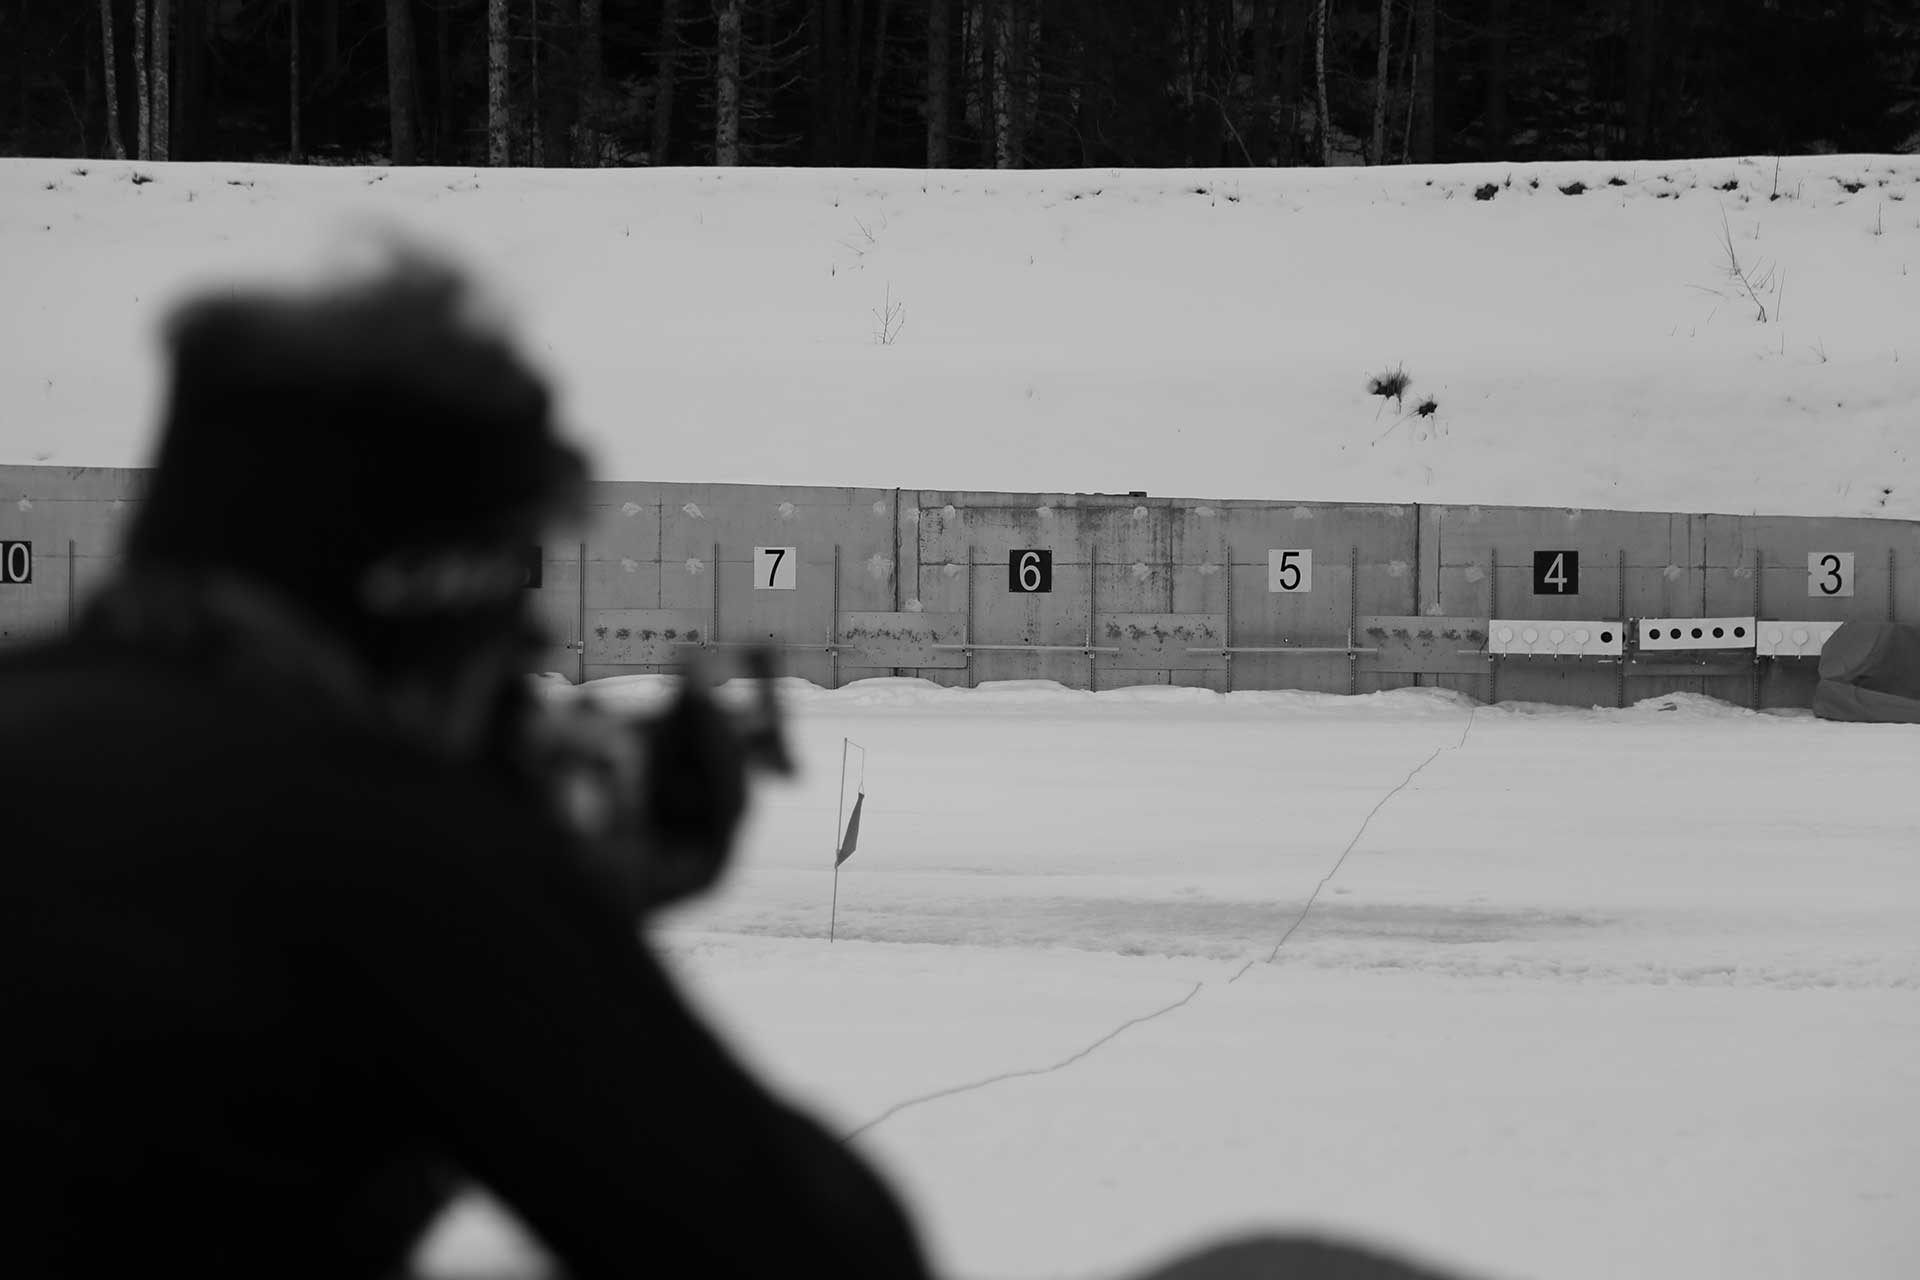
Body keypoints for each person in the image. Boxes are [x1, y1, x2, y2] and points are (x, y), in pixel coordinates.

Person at [0, 248, 932, 1280]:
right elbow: (813, 1242)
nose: (533, 643)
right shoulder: (379, 841)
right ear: (427, 589)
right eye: (510, 579)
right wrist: (547, 891)